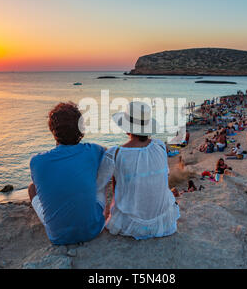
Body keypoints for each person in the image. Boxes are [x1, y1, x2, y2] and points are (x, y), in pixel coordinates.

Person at [96, 101, 180, 240]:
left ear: (127, 128)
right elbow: (165, 176)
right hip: (163, 223)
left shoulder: (115, 153)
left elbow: (99, 186)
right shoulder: (160, 146)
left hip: (130, 225)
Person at [28, 102, 105, 245]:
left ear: (52, 130)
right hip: (93, 231)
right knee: (97, 181)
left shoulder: (37, 161)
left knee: (31, 188)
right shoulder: (93, 150)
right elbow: (108, 155)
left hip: (58, 236)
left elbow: (40, 186)